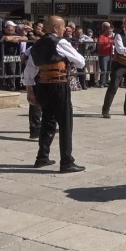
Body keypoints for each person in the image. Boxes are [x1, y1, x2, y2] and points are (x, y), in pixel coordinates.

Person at [22, 16, 85, 173]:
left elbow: (29, 69)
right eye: (63, 27)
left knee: (48, 121)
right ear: (56, 28)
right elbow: (81, 61)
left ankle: (42, 157)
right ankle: (66, 161)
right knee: (65, 123)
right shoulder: (60, 42)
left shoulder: (36, 45)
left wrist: (30, 91)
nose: (64, 30)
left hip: (43, 85)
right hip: (58, 85)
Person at [102, 17, 126, 118]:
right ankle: (105, 110)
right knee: (113, 87)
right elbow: (120, 50)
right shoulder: (119, 36)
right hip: (119, 65)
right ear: (123, 25)